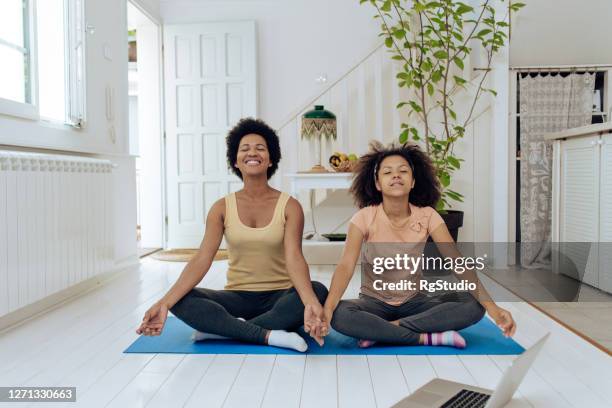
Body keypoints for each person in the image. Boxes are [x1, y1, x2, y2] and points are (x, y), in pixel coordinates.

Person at [136, 118, 328, 352]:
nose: (252, 153)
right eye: (244, 149)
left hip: (279, 297)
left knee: (317, 291)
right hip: (236, 298)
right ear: (236, 161)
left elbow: (294, 257)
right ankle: (270, 335)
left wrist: (308, 300)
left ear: (270, 159)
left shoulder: (290, 206)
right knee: (180, 299)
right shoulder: (221, 208)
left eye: (260, 148)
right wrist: (163, 303)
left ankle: (226, 331)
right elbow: (202, 258)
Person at [320, 142, 516, 348]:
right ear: (377, 183)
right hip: (373, 302)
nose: (396, 175)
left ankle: (384, 330)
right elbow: (345, 266)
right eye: (387, 172)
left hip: (415, 302)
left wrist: (494, 310)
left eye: (403, 171)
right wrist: (329, 308)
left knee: (473, 304)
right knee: (341, 314)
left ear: (413, 181)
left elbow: (457, 262)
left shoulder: (428, 215)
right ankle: (427, 337)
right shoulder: (363, 217)